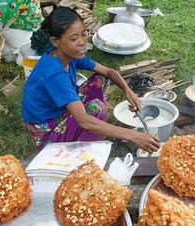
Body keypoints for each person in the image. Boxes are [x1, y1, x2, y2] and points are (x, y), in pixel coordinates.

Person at [22, 6, 160, 153]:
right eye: (74, 38)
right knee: (96, 109)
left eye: (83, 34)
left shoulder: (70, 54)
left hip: (58, 111)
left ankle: (92, 131)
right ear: (56, 41)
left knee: (100, 78)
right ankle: (81, 153)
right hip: (45, 130)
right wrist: (133, 136)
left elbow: (109, 71)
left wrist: (129, 92)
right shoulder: (54, 73)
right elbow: (83, 120)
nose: (82, 42)